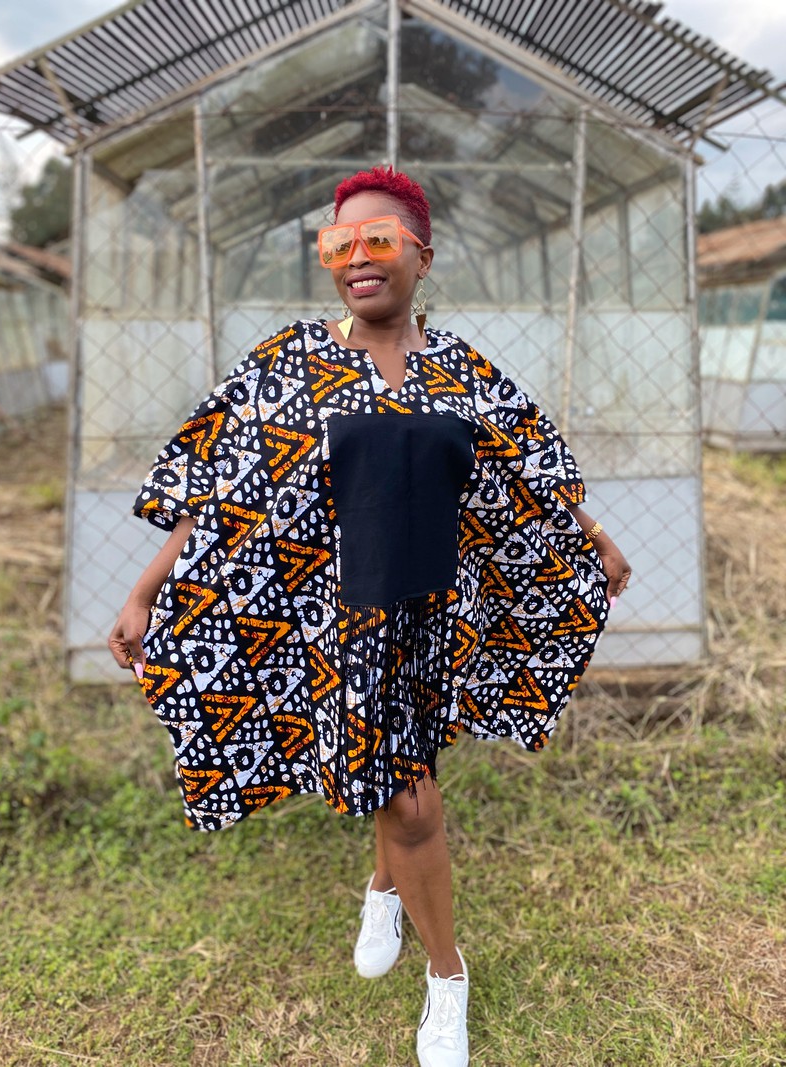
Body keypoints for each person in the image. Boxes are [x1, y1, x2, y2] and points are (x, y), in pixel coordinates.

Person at [109, 165, 631, 1067]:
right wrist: (146, 589)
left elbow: (528, 461)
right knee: (412, 805)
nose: (357, 257)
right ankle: (447, 976)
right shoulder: (286, 363)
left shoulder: (462, 368)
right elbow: (217, 491)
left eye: (379, 239)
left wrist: (596, 538)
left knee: (403, 785)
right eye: (338, 243)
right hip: (337, 628)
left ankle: (386, 889)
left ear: (421, 256)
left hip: (432, 621)